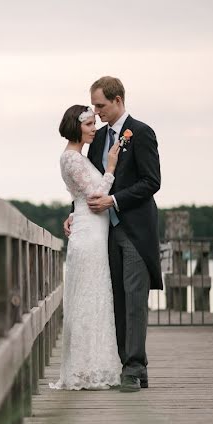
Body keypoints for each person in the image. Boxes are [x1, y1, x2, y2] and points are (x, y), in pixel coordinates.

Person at [63, 76, 163, 392]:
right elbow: (86, 183)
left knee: (135, 298)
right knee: (115, 299)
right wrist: (73, 212)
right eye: (94, 105)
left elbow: (151, 181)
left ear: (118, 100)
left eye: (101, 105)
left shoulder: (142, 133)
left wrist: (115, 200)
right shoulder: (98, 140)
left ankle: (134, 368)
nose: (97, 111)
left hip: (133, 230)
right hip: (102, 233)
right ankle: (124, 363)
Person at [50, 104, 122, 390]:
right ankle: (83, 368)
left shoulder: (78, 158)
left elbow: (81, 199)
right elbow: (95, 197)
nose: (94, 128)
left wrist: (72, 213)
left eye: (94, 123)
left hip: (91, 229)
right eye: (89, 124)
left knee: (96, 296)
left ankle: (95, 366)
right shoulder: (71, 159)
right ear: (76, 126)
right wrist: (112, 168)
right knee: (87, 298)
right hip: (88, 234)